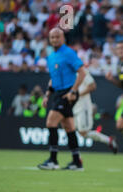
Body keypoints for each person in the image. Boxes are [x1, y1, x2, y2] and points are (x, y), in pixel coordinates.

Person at [37, 27, 86, 171]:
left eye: (57, 37)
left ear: (63, 38)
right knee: (69, 127)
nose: (54, 39)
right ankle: (77, 162)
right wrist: (47, 95)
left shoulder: (69, 53)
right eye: (52, 37)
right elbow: (54, 78)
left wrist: (73, 91)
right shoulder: (51, 57)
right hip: (58, 93)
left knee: (51, 122)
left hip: (67, 93)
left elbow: (82, 73)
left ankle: (53, 160)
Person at [72, 69, 118, 153]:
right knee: (69, 129)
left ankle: (109, 140)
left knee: (83, 133)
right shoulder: (66, 71)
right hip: (73, 106)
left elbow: (92, 86)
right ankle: (75, 158)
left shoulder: (81, 70)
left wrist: (76, 95)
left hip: (82, 107)